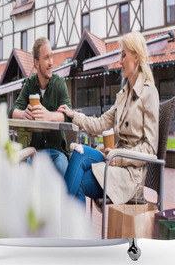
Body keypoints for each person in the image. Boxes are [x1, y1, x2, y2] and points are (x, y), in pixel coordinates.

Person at [58, 32, 159, 206]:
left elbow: (150, 149)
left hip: (129, 175)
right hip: (114, 160)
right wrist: (73, 115)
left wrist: (118, 158)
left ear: (136, 57)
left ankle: (66, 227)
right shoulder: (123, 95)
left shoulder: (149, 93)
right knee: (78, 154)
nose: (120, 61)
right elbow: (100, 123)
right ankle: (69, 227)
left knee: (79, 181)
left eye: (124, 55)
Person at [8, 37, 72, 176]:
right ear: (36, 63)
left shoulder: (59, 83)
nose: (51, 62)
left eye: (51, 57)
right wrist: (24, 114)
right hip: (35, 152)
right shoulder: (29, 85)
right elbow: (12, 111)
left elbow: (68, 115)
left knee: (65, 175)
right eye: (46, 58)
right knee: (26, 177)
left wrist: (48, 115)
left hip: (57, 152)